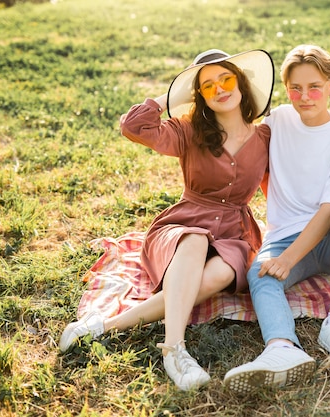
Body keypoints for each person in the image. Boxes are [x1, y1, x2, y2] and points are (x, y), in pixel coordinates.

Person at [59, 49, 275, 392]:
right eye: (207, 86)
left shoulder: (265, 138)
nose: (220, 88)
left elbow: (282, 190)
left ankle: (104, 324)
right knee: (195, 239)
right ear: (198, 95)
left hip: (235, 234)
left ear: (242, 82)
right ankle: (175, 350)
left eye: (226, 78)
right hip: (183, 224)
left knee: (220, 274)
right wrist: (178, 92)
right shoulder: (188, 130)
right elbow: (134, 126)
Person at [223, 44, 330, 394]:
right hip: (283, 236)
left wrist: (289, 258)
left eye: (314, 87)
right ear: (286, 89)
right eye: (296, 88)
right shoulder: (278, 120)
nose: (304, 96)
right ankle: (281, 347)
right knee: (259, 272)